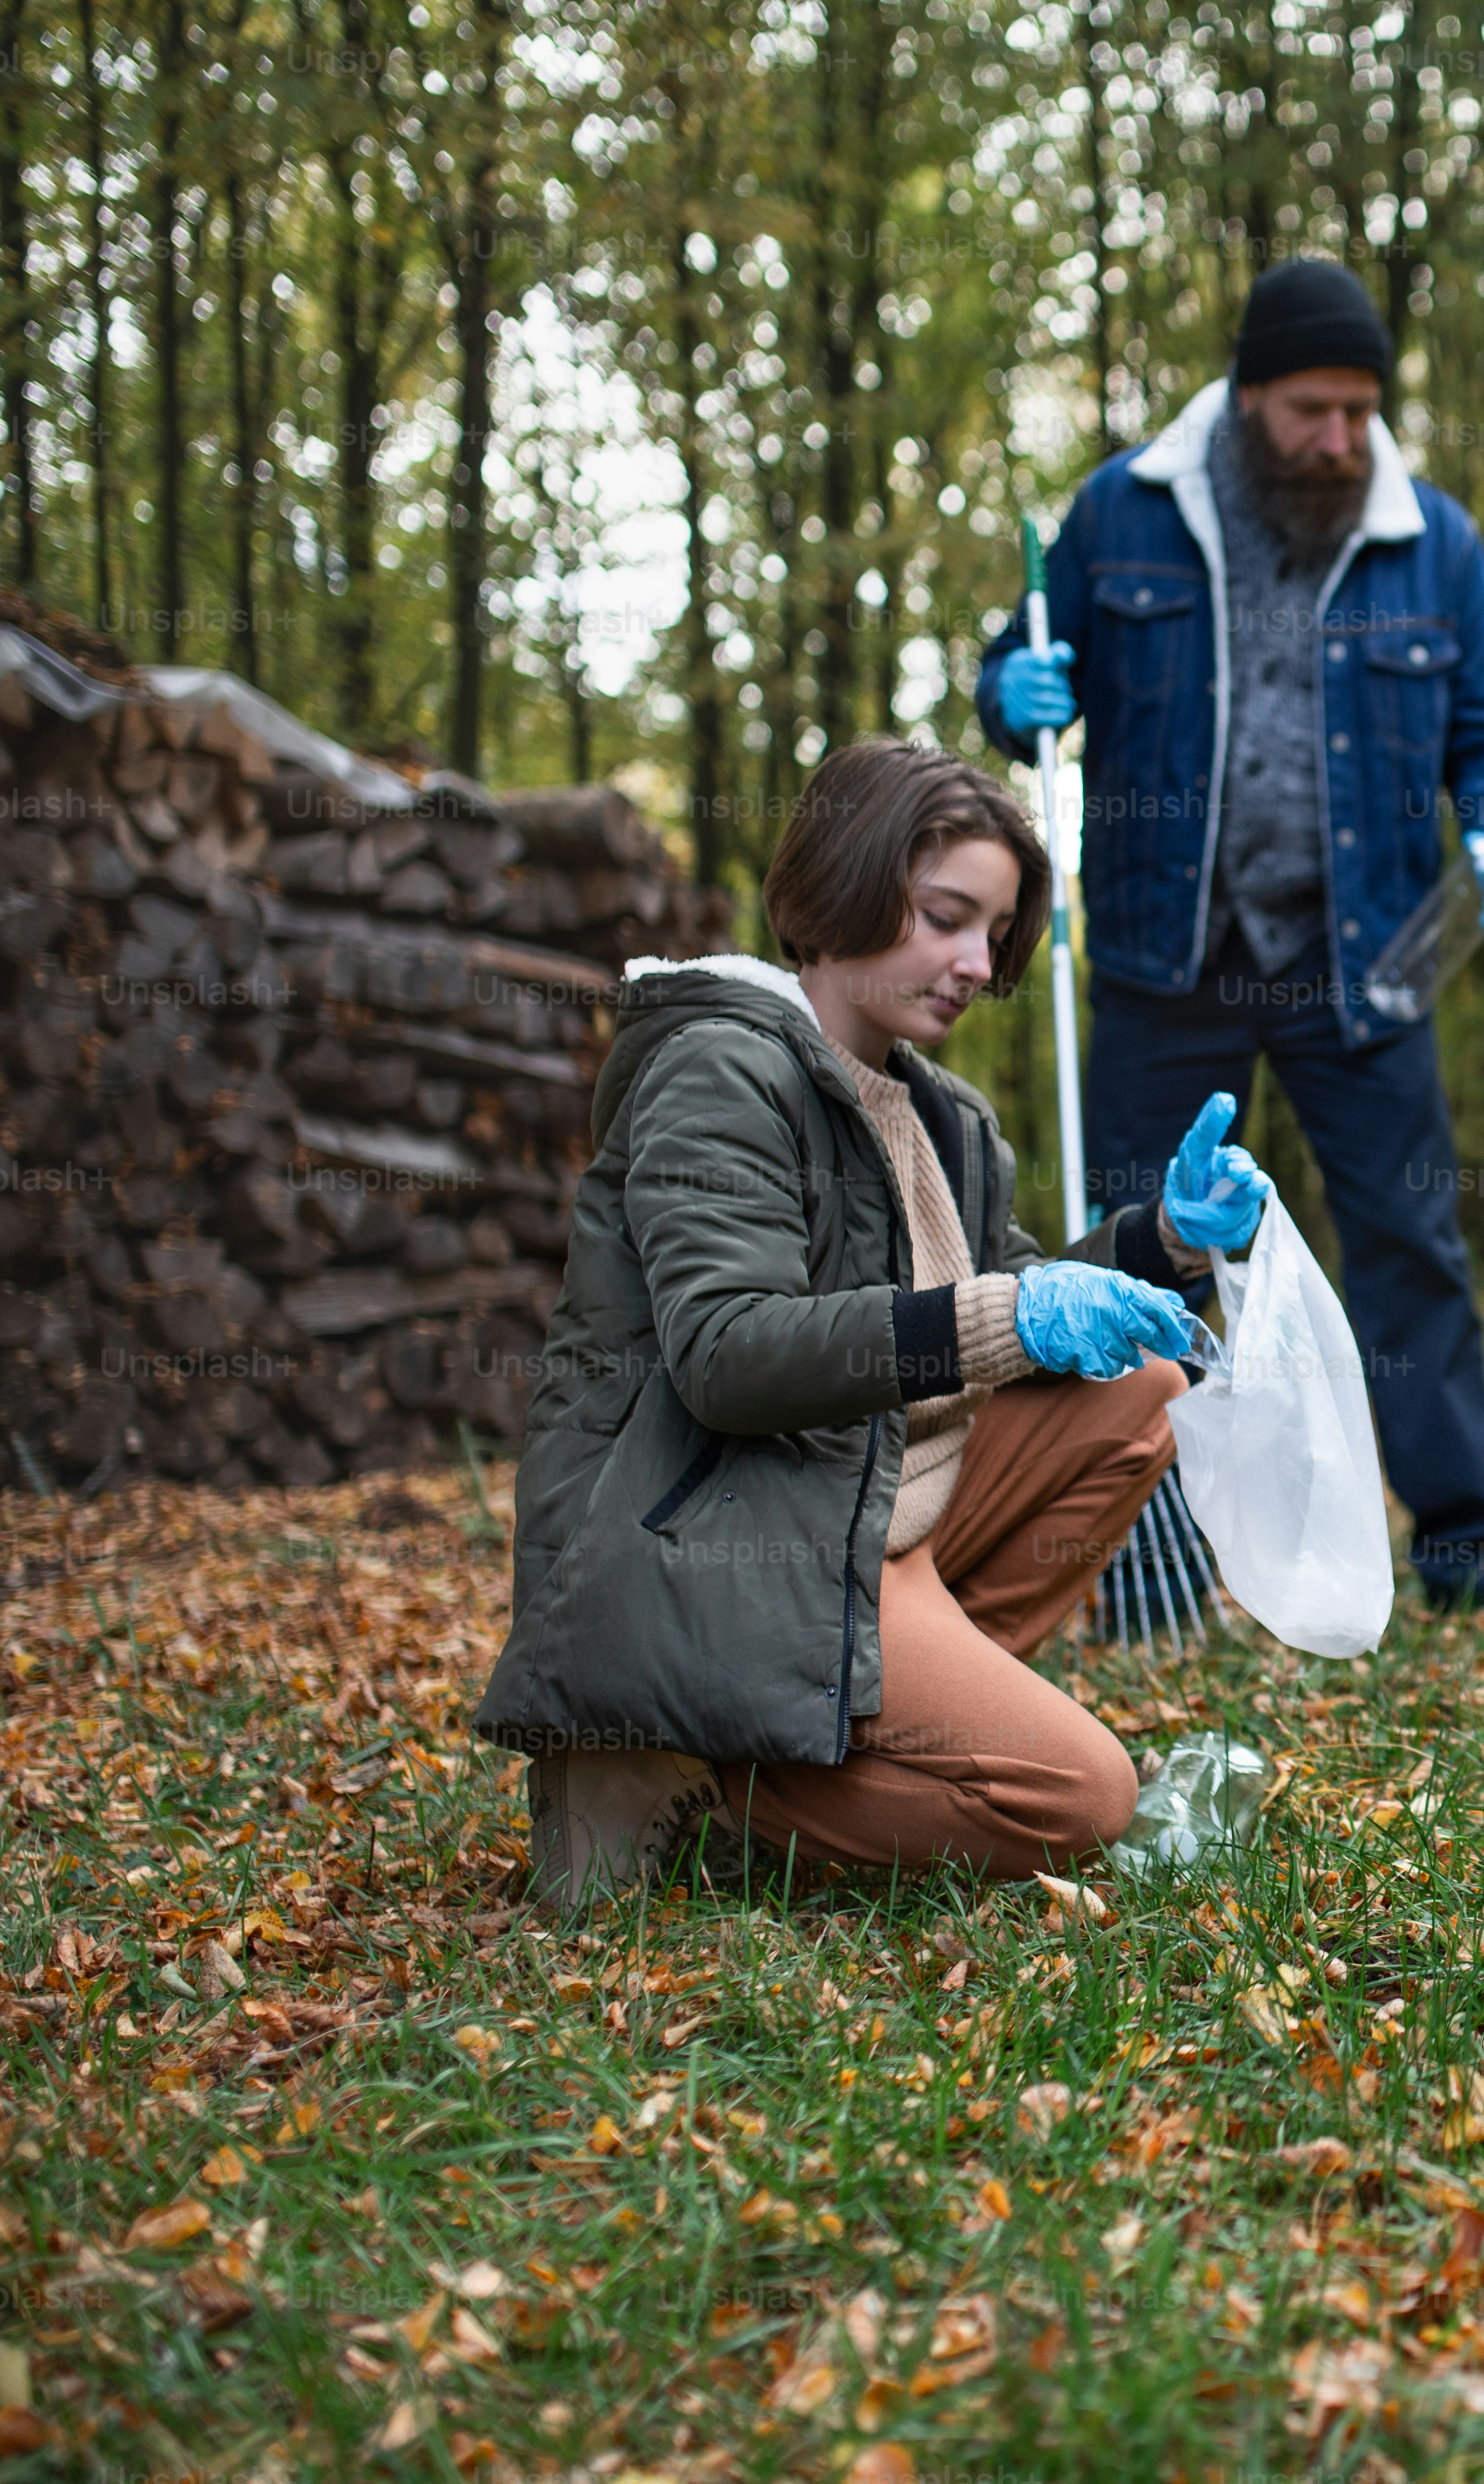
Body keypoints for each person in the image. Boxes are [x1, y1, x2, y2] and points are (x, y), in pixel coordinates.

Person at [475, 739, 1278, 1907]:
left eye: (995, 933)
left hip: (880, 1509)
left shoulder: (947, 1118)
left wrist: (1164, 1241)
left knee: (1138, 1391)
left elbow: (1009, 1295)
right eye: (948, 915)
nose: (974, 960)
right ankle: (694, 1781)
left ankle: (844, 1735)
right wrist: (1011, 1313)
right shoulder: (719, 1069)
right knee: (1084, 1802)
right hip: (732, 1531)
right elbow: (727, 1354)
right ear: (848, 878)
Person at [975, 258, 1484, 1613]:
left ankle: (1468, 1542)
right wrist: (1013, 686)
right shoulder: (1125, 513)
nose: (1340, 438)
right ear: (1247, 398)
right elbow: (1022, 667)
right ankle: (1130, 1556)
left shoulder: (1436, 542)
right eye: (1311, 409)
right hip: (1161, 950)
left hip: (1362, 960)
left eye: (1361, 410)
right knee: (1135, 1239)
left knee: (1410, 1244)